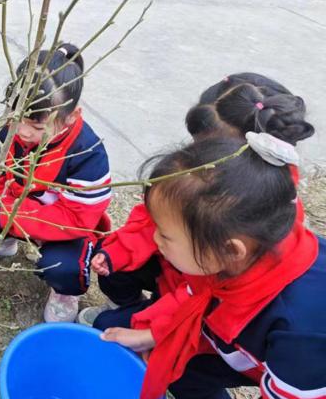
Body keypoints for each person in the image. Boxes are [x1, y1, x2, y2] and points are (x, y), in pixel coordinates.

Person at [100, 137, 326, 399]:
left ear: (231, 250)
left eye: (166, 235)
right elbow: (198, 299)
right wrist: (158, 332)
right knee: (181, 364)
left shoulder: (302, 330)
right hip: (262, 363)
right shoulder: (242, 257)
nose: (155, 240)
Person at [81, 73, 315, 327]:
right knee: (115, 266)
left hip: (192, 290)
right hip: (182, 270)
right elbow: (155, 217)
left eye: (206, 153)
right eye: (196, 147)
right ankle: (133, 307)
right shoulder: (199, 179)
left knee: (110, 325)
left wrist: (152, 330)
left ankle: (138, 314)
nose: (195, 158)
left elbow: (202, 298)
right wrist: (122, 249)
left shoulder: (258, 222)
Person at [0, 45, 111, 323]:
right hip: (11, 212)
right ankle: (2, 244)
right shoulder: (6, 130)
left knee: (63, 267)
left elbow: (75, 219)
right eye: (17, 119)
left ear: (70, 116)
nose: (23, 131)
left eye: (37, 128)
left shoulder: (88, 153)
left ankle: (64, 292)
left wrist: (10, 216)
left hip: (61, 229)